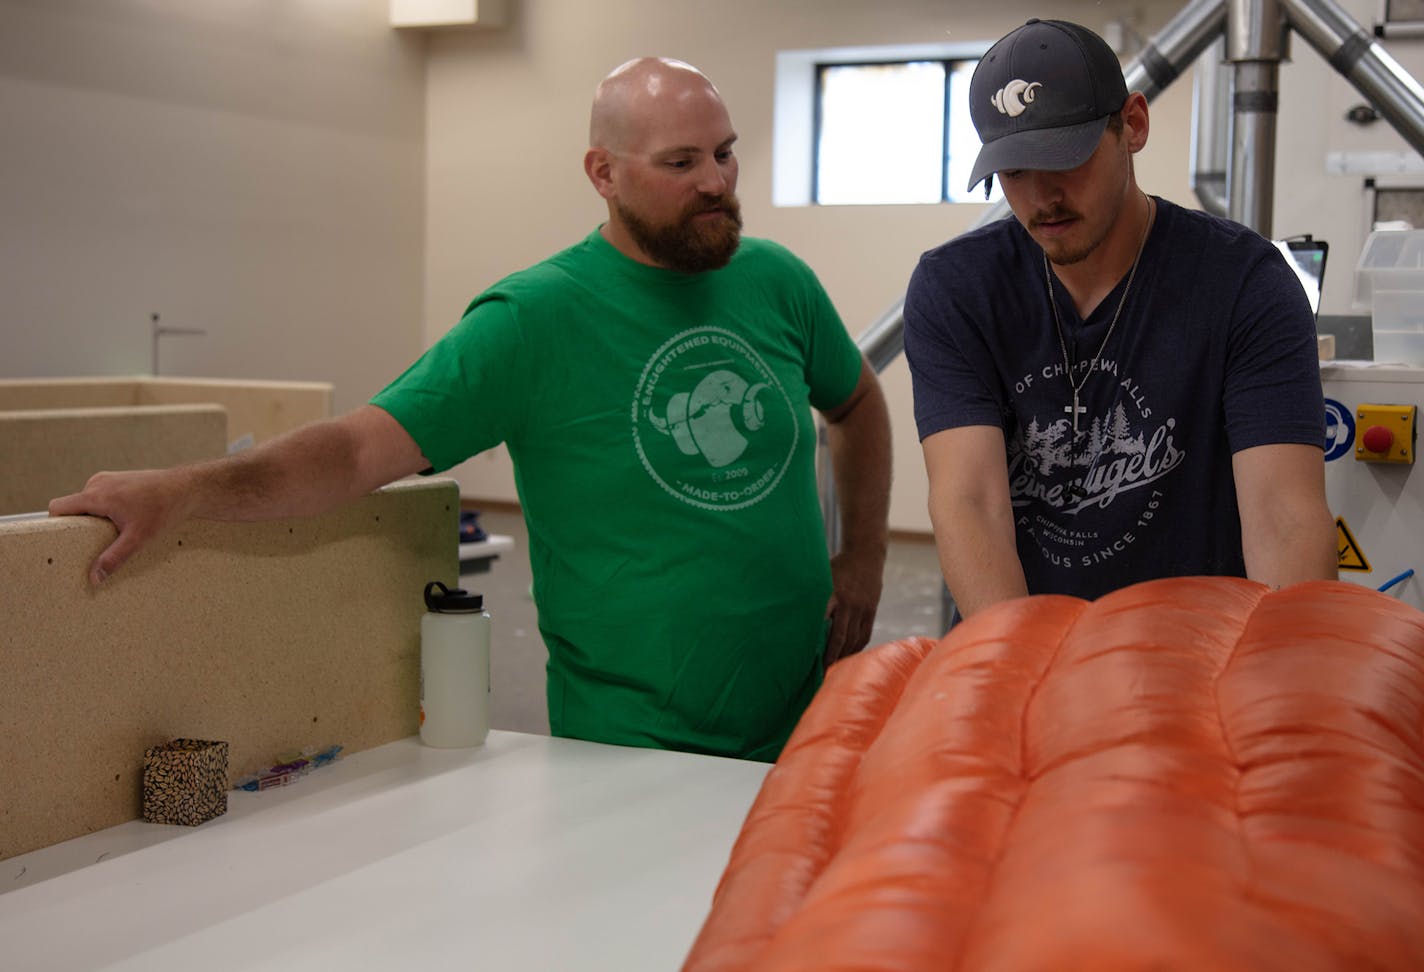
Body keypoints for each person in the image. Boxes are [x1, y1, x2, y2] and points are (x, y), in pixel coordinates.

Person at [50, 57, 892, 762]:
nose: (716, 183)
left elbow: (857, 402)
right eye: (681, 163)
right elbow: (352, 453)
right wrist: (184, 491)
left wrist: (862, 559)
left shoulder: (775, 280)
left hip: (804, 714)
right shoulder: (534, 320)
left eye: (726, 153)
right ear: (604, 173)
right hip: (633, 740)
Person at [903, 18, 1335, 620]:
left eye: (1066, 157)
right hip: (1023, 647)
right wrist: (1019, 669)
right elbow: (969, 502)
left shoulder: (1242, 283)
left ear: (1132, 125)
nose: (1043, 195)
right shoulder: (957, 288)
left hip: (1194, 653)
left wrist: (1285, 686)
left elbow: (1284, 518)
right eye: (1017, 170)